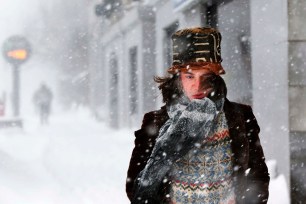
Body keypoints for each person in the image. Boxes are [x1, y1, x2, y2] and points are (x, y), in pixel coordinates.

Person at [126, 27, 270, 204]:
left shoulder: (239, 116)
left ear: (216, 77)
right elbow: (136, 188)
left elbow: (258, 176)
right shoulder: (156, 122)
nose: (197, 86)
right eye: (189, 76)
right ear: (178, 77)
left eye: (206, 77)